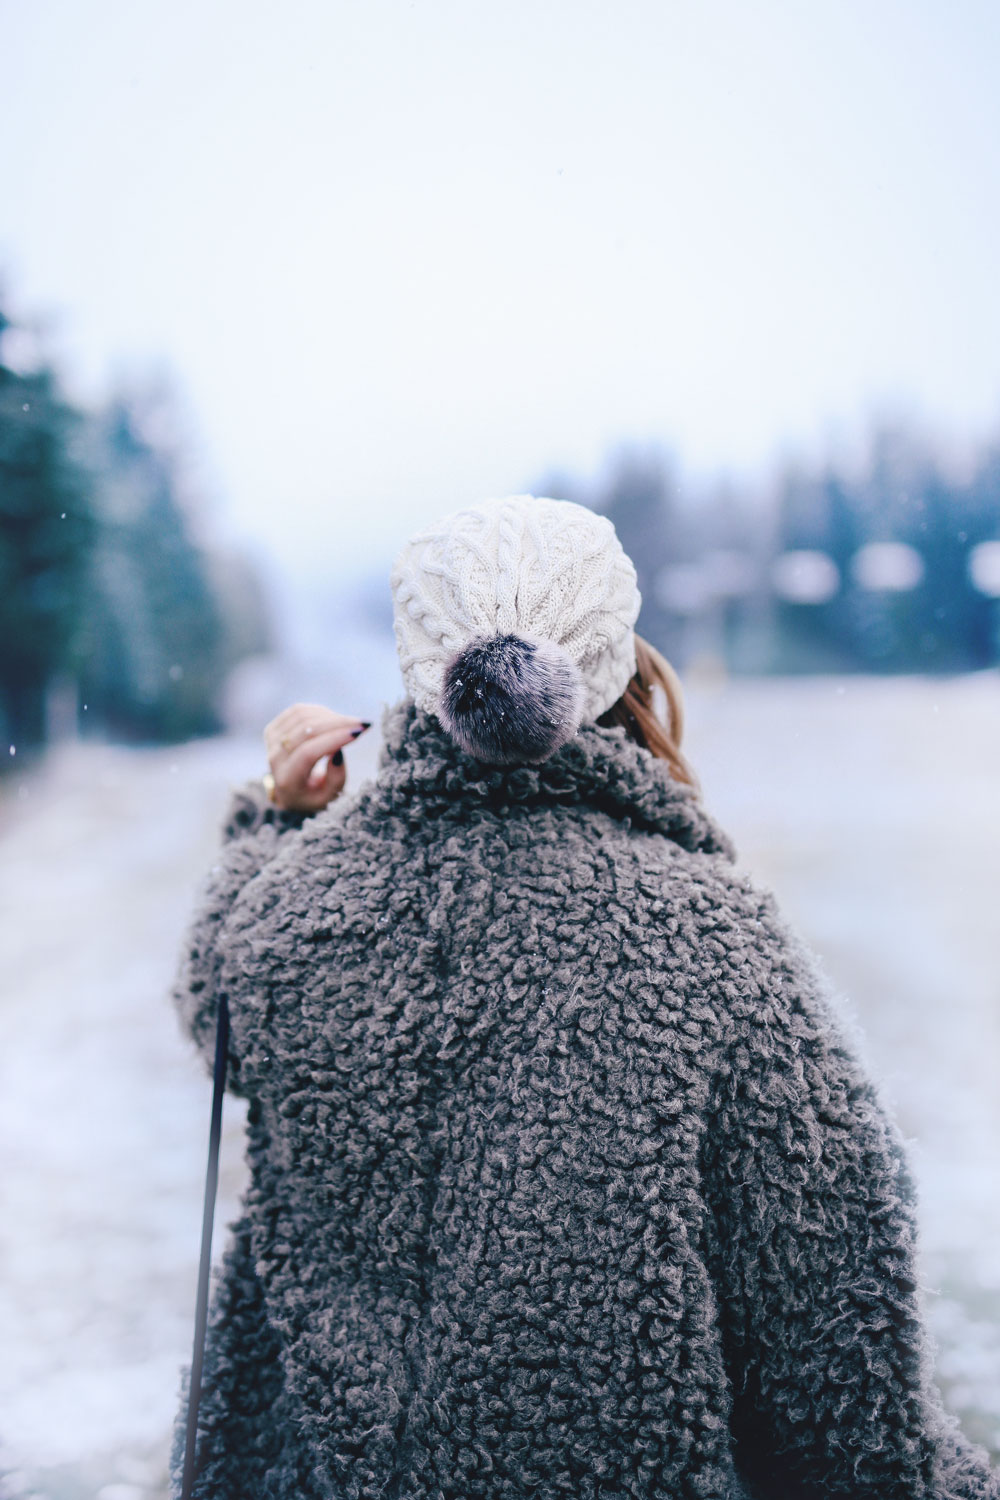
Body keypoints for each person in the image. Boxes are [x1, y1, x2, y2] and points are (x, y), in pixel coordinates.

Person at [169, 494, 999, 1500]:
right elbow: (832, 1337)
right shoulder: (708, 933)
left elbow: (217, 1011)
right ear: (617, 660)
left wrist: (277, 829)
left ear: (424, 671)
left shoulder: (289, 914)